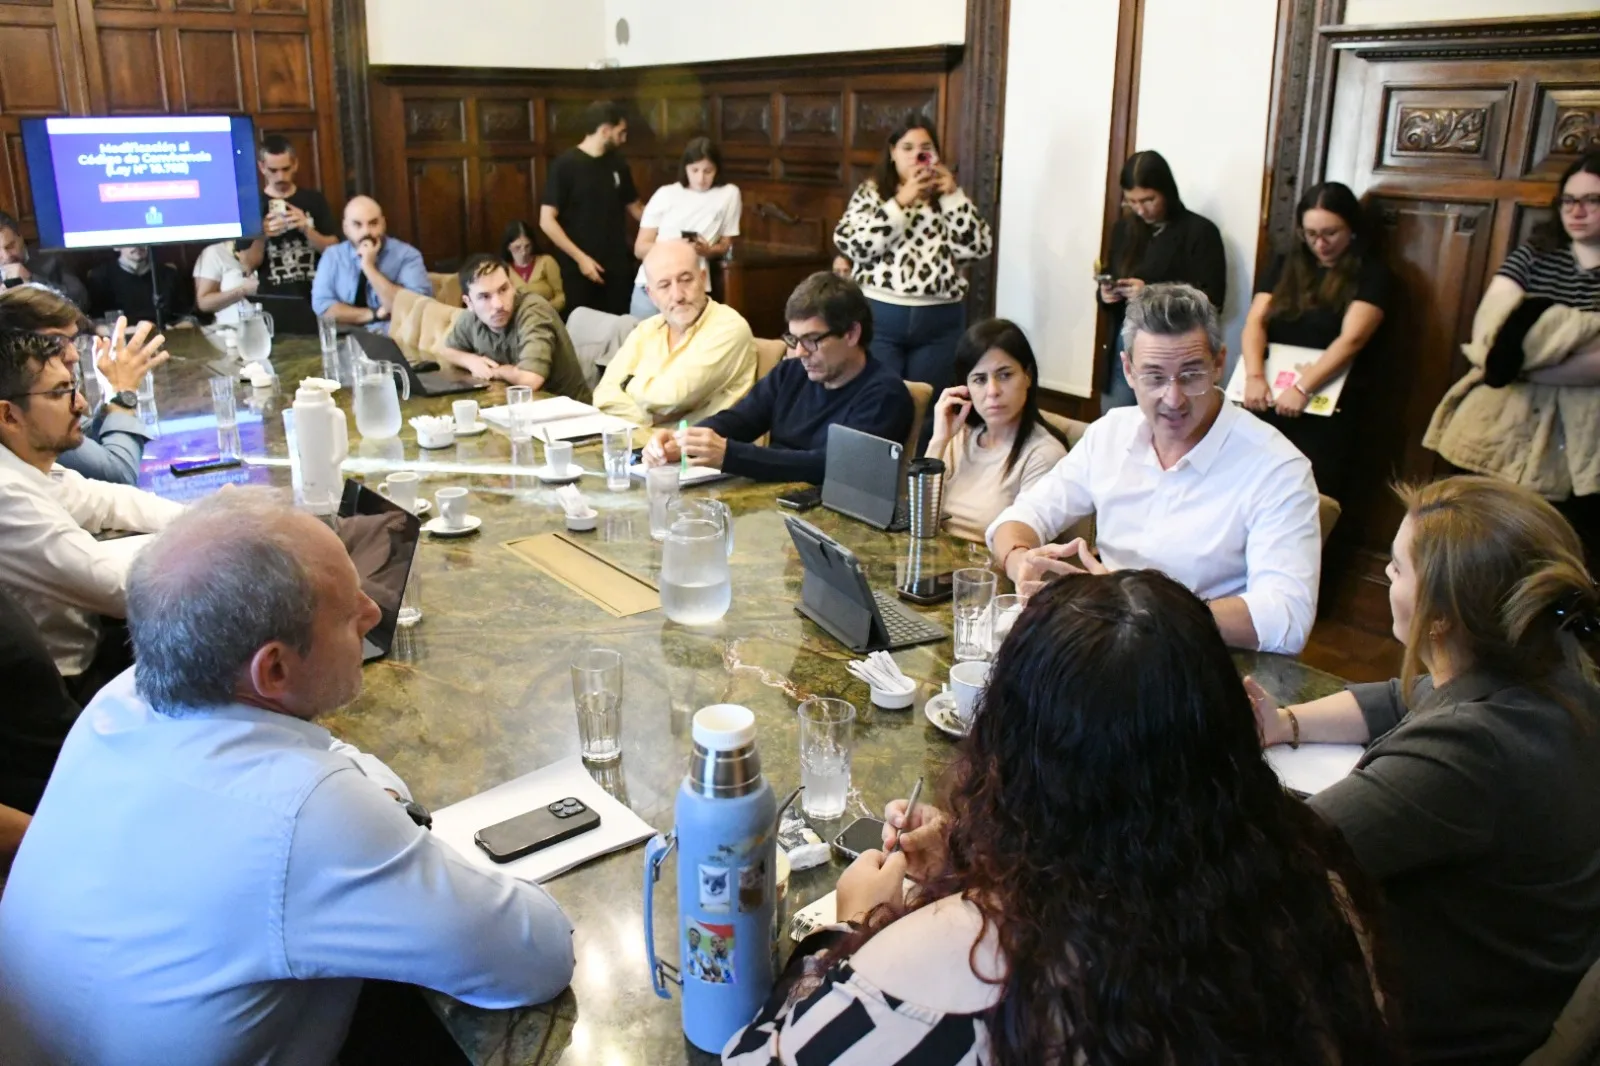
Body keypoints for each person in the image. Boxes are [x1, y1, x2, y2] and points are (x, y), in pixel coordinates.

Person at [725, 570, 1398, 1065]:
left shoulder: (946, 961)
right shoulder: (1310, 891)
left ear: (1008, 748)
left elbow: (767, 1054)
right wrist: (974, 853)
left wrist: (849, 928)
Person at [0, 489, 576, 1066]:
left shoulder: (121, 701)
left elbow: (323, 755)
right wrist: (375, 812)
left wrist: (373, 795)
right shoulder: (306, 814)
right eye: (348, 612)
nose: (374, 614)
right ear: (273, 668)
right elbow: (534, 956)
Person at [1249, 476, 1600, 1065]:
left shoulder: (1469, 750)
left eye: (1396, 568)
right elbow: (1403, 695)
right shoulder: (1551, 670)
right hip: (1524, 985)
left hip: (1440, 1030)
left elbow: (1280, 857)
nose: (1387, 577)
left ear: (1439, 618)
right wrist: (1285, 722)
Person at [988, 283, 1321, 655]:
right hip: (1106, 646)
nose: (1173, 399)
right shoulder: (1112, 434)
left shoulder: (1277, 467)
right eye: (1155, 377)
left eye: (1191, 375)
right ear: (1128, 370)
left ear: (1219, 364)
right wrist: (1020, 560)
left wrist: (1140, 608)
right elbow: (1019, 518)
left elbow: (1287, 617)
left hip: (1203, 657)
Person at [1426, 151, 1600, 565]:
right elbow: (1490, 335)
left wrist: (1526, 344)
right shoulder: (1533, 255)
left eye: (1592, 200)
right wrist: (1581, 333)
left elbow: (1513, 350)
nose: (1576, 211)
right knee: (1482, 542)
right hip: (1503, 424)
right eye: (1568, 200)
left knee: (1556, 552)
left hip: (1580, 441)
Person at [0, 329, 183, 700]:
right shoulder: (7, 494)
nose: (81, 405)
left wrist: (205, 522)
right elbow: (118, 588)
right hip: (65, 689)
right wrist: (210, 546)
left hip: (95, 651)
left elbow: (109, 500)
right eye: (60, 393)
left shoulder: (28, 464)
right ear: (8, 414)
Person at [643, 271, 912, 484]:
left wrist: (730, 455)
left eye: (812, 340)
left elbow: (832, 466)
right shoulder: (791, 372)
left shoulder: (885, 395)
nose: (800, 352)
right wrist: (686, 440)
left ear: (852, 334)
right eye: (794, 339)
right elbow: (740, 420)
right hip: (775, 500)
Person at [832, 115, 992, 433]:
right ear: (892, 152)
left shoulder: (947, 198)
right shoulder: (873, 193)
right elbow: (854, 244)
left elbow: (977, 248)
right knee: (880, 403)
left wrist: (953, 197)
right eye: (907, 148)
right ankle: (876, 465)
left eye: (925, 148)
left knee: (931, 410)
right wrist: (900, 203)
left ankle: (921, 464)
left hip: (939, 320)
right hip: (881, 315)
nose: (916, 155)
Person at [1241, 181, 1390, 501]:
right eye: (1311, 234)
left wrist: (1302, 389)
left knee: (1309, 495)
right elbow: (1255, 321)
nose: (1320, 244)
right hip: (1269, 394)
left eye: (1330, 233)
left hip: (1324, 401)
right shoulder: (1285, 262)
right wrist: (1253, 376)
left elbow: (1352, 339)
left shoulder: (1371, 273)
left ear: (1352, 228)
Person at [0, 285, 169, 487]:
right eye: (56, 341)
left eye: (73, 340)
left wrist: (113, 395)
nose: (74, 355)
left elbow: (82, 437)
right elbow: (119, 475)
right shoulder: (18, 401)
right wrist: (123, 394)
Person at [1096, 150, 1226, 413]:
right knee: (1116, 423)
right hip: (1126, 344)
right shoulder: (1124, 230)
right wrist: (1107, 294)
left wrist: (1150, 292)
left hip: (1174, 352)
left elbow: (1214, 299)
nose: (1140, 209)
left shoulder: (1200, 231)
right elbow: (1111, 277)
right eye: (1132, 201)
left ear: (1166, 192)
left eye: (1148, 200)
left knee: (1170, 419)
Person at [926, 319, 1068, 542]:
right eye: (979, 379)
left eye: (1004, 375)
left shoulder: (1044, 455)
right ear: (965, 388)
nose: (992, 391)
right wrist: (938, 441)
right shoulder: (959, 437)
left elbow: (1025, 547)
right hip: (936, 559)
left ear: (1028, 376)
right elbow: (921, 521)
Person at [595, 239, 754, 427]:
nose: (678, 295)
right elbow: (602, 398)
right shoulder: (647, 329)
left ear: (703, 279)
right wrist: (650, 418)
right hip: (639, 440)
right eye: (664, 286)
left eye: (686, 280)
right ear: (651, 295)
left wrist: (627, 383)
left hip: (698, 444)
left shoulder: (728, 327)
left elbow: (673, 398)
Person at [540, 101, 644, 316]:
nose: (624, 139)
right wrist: (581, 258)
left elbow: (637, 209)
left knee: (622, 326)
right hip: (578, 268)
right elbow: (547, 220)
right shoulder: (564, 166)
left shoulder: (619, 164)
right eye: (620, 132)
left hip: (618, 267)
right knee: (582, 328)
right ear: (605, 131)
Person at [439, 254, 591, 401]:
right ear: (469, 303)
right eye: (485, 296)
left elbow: (531, 380)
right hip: (516, 404)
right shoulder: (471, 317)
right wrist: (471, 361)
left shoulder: (533, 311)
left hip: (567, 410)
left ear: (512, 286)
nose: (498, 304)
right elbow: (447, 350)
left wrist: (497, 371)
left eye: (503, 289)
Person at [629, 137, 741, 320]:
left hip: (691, 289)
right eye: (694, 170)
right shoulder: (666, 194)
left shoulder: (729, 194)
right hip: (651, 285)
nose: (701, 178)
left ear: (717, 170)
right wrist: (676, 247)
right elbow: (640, 248)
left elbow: (726, 244)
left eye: (708, 171)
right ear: (685, 168)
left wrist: (707, 250)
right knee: (641, 335)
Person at [311, 196, 431, 333]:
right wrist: (374, 314)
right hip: (344, 337)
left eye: (373, 223)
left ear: (383, 224)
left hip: (391, 338)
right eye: (357, 225)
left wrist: (369, 267)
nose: (366, 232)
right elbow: (322, 306)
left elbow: (415, 308)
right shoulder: (333, 256)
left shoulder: (407, 256)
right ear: (346, 228)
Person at [257, 134, 338, 299]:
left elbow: (335, 250)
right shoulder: (254, 205)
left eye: (285, 169)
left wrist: (307, 229)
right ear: (262, 167)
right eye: (273, 170)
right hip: (273, 297)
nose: (280, 177)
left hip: (317, 294)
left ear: (295, 164)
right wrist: (262, 235)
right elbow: (247, 264)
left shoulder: (314, 200)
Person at [0, 211, 89, 310]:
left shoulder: (52, 258)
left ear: (20, 237)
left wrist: (33, 280)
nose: (6, 256)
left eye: (10, 246)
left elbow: (81, 300)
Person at [86, 245, 190, 325]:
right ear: (116, 246)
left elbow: (187, 318)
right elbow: (95, 323)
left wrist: (172, 330)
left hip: (167, 337)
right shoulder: (100, 277)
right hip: (122, 339)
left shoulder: (169, 274)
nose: (137, 245)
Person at [192, 237, 264, 324]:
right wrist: (242, 290)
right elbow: (204, 304)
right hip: (232, 327)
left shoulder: (268, 246)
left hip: (269, 324)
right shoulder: (215, 253)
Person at [501, 219, 565, 311]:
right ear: (508, 247)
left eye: (527, 246)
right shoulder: (503, 269)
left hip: (547, 314)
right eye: (517, 247)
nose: (523, 252)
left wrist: (544, 309)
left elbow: (561, 297)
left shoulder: (546, 261)